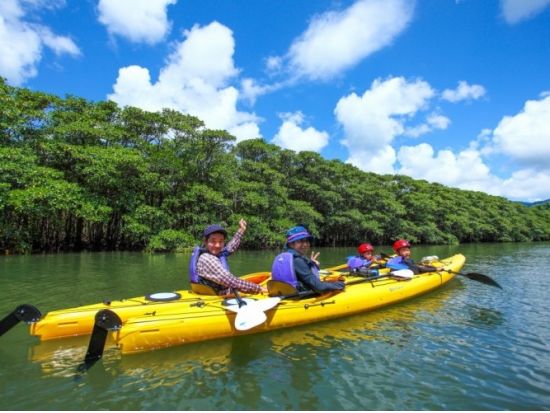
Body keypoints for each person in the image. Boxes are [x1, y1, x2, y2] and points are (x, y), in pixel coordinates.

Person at [189, 219, 268, 295]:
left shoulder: (213, 253)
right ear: (205, 242)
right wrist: (259, 288)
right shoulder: (207, 259)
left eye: (221, 241)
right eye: (213, 241)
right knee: (260, 288)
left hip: (212, 291)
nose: (217, 245)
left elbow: (230, 248)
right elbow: (231, 281)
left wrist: (241, 230)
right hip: (219, 295)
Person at [271, 226, 345, 293]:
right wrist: (340, 285)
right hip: (300, 297)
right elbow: (319, 287)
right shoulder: (297, 260)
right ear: (291, 244)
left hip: (285, 294)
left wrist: (312, 265)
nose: (305, 244)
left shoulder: (283, 256)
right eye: (300, 241)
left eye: (306, 241)